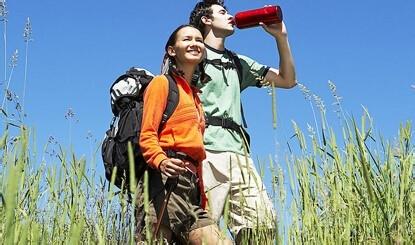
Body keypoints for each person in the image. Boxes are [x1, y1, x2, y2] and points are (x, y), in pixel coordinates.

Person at [189, 0, 296, 243]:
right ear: (206, 20)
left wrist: (281, 37)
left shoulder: (239, 62)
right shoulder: (192, 55)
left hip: (240, 154)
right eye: (222, 12)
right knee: (203, 230)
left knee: (261, 228)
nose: (231, 16)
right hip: (205, 151)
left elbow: (287, 80)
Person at [135, 24, 232, 244]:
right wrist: (160, 161)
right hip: (163, 182)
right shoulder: (162, 84)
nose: (195, 43)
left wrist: (201, 193)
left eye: (199, 40)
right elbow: (147, 134)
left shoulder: (196, 97)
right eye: (187, 39)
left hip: (192, 189)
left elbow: (196, 151)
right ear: (172, 50)